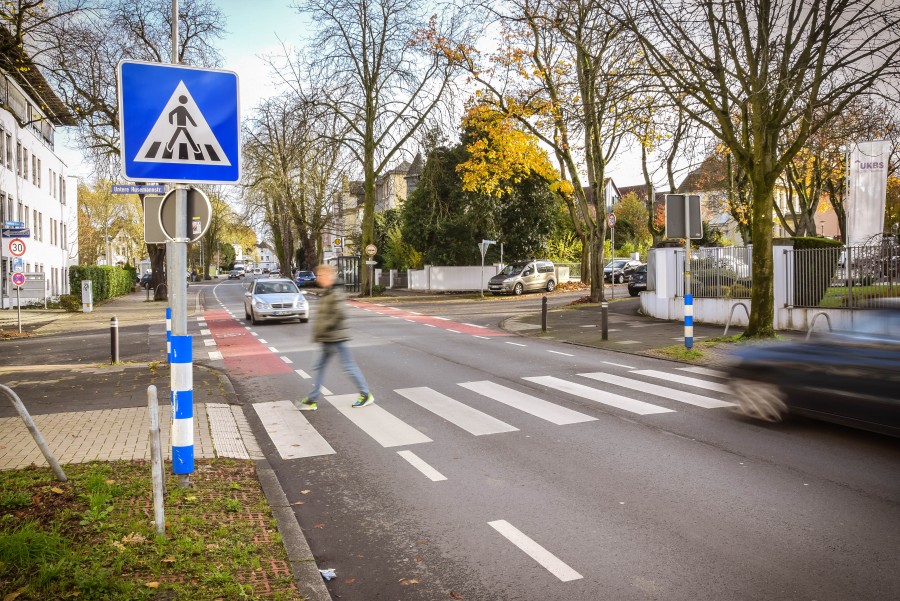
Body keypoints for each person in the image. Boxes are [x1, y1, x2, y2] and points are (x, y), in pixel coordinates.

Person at [295, 263, 374, 411]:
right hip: (327, 338)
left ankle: (365, 394)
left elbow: (340, 313)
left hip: (337, 337)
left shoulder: (335, 292)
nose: (318, 278)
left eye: (320, 275)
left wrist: (325, 327)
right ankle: (312, 399)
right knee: (319, 367)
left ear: (328, 276)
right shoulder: (328, 291)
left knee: (348, 367)